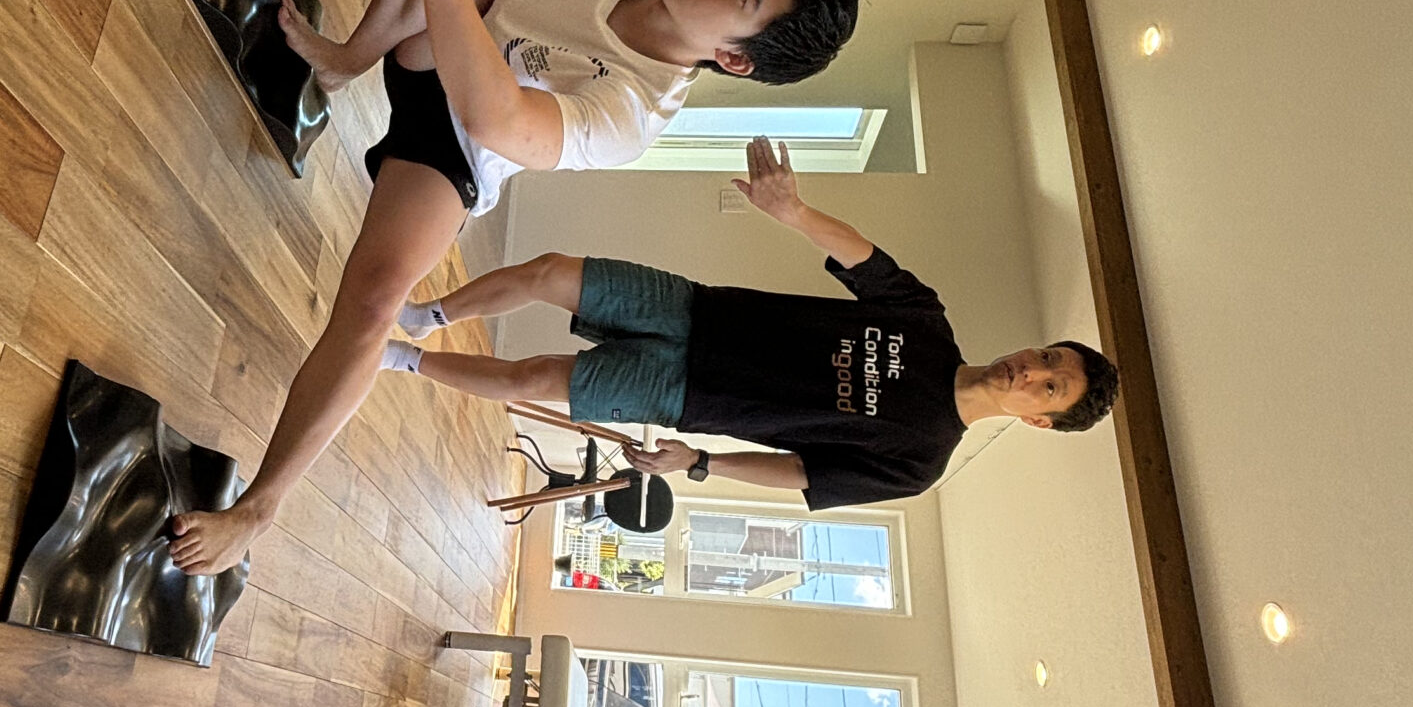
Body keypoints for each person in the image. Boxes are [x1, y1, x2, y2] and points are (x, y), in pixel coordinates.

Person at [170, 0, 861, 572]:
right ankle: (343, 64)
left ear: (734, 58)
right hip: (442, 40)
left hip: (457, 145)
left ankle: (258, 510)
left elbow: (493, 117)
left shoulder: (633, 115)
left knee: (374, 302)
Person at [385, 137, 1121, 507]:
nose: (1032, 370)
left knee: (532, 377)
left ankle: (398, 358)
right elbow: (862, 259)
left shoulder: (919, 463)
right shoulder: (928, 324)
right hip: (698, 308)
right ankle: (425, 314)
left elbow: (801, 474)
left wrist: (700, 464)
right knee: (550, 271)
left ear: (1038, 419)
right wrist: (793, 212)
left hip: (686, 394)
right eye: (1048, 357)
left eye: (1049, 387)